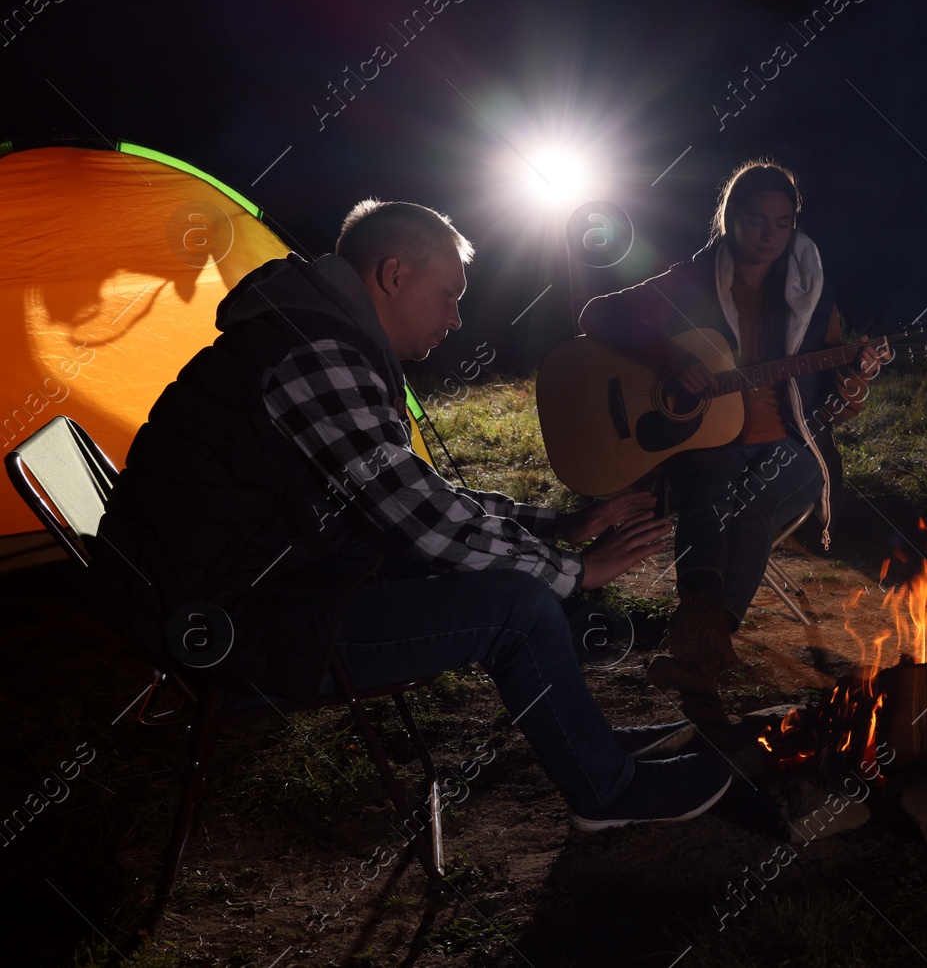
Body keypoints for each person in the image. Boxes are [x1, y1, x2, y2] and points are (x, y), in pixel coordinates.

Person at [91, 199, 731, 832]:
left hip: (260, 587)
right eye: (449, 295)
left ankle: (598, 746)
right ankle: (607, 792)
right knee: (519, 605)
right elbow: (418, 515)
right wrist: (573, 571)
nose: (455, 319)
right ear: (393, 275)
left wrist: (553, 528)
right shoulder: (313, 354)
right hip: (231, 626)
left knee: (491, 577)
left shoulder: (311, 334)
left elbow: (408, 495)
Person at [578, 160, 888, 722]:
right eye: (755, 222)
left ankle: (701, 647)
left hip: (793, 446)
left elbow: (835, 412)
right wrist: (668, 356)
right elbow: (597, 313)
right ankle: (704, 648)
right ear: (729, 221)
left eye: (782, 223)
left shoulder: (813, 294)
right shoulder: (691, 282)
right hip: (713, 443)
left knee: (755, 498)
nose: (770, 236)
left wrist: (855, 381)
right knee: (709, 478)